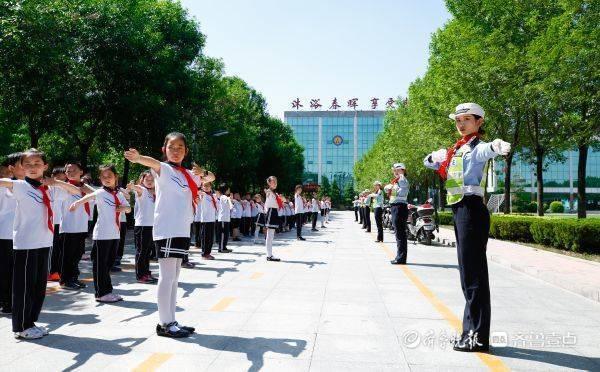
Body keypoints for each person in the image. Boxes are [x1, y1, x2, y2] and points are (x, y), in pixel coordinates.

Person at [424, 103, 511, 353]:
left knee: (473, 276)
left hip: (471, 209)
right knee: (467, 276)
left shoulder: (475, 147)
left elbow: (487, 150)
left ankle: (478, 336)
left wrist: (496, 146)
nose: (461, 124)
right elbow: (429, 162)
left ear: (479, 122)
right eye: (458, 120)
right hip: (461, 209)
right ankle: (469, 332)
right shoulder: (457, 149)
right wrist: (434, 157)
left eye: (467, 119)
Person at [124, 132, 214, 338]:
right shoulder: (163, 169)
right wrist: (138, 158)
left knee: (175, 277)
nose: (176, 151)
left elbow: (210, 178)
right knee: (166, 277)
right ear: (164, 149)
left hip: (182, 229)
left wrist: (204, 171)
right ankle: (164, 323)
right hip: (167, 229)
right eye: (171, 147)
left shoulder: (188, 174)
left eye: (180, 147)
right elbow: (151, 162)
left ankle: (171, 320)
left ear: (186, 151)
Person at [0, 149, 82, 339]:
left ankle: (30, 323)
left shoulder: (51, 188)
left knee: (38, 287)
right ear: (21, 167)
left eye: (37, 163)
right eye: (27, 164)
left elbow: (76, 190)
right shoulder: (20, 186)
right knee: (24, 288)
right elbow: (3, 182)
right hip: (26, 244)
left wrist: (56, 182)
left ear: (45, 166)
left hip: (44, 242)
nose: (32, 167)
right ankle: (21, 327)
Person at [69, 164, 131, 303]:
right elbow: (87, 196)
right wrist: (77, 203)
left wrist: (124, 208)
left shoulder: (119, 194)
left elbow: (128, 209)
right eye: (103, 177)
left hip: (115, 234)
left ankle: (107, 291)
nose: (106, 178)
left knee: (108, 264)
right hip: (102, 234)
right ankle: (101, 293)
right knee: (100, 265)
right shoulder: (100, 193)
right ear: (100, 179)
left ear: (116, 177)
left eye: (109, 176)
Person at [60, 162, 95, 290]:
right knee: (68, 255)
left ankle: (74, 277)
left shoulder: (85, 187)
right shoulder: (65, 186)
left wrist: (85, 188)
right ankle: (66, 279)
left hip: (82, 225)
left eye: (74, 170)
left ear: (81, 172)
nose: (71, 173)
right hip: (69, 226)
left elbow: (97, 196)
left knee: (78, 253)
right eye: (68, 171)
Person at [0, 153, 24, 315]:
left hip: (23, 235)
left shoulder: (30, 186)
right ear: (11, 168)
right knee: (6, 270)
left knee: (18, 271)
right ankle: (6, 302)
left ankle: (12, 300)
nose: (29, 167)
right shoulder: (5, 185)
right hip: (5, 234)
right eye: (24, 164)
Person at [127, 171, 157, 284]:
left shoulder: (154, 193)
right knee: (141, 251)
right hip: (142, 225)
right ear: (142, 181)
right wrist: (133, 186)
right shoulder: (142, 190)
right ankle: (140, 275)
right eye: (147, 180)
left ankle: (146, 272)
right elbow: (137, 188)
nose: (149, 182)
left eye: (152, 180)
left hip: (151, 225)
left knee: (148, 251)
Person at [386, 164, 410, 264]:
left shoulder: (402, 179)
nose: (394, 171)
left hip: (399, 206)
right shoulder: (398, 180)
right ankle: (400, 256)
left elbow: (403, 193)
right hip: (397, 206)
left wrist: (393, 190)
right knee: (399, 233)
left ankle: (401, 258)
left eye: (395, 169)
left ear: (401, 170)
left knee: (400, 234)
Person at [257, 176, 282, 262]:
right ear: (269, 183)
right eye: (273, 182)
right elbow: (267, 193)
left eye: (276, 181)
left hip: (274, 212)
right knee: (270, 235)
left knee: (271, 235)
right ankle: (269, 255)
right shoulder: (269, 192)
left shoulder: (274, 193)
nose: (275, 183)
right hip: (271, 212)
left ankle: (270, 254)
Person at [198, 181, 218, 260]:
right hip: (205, 219)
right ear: (202, 187)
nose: (206, 187)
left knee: (210, 238)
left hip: (212, 219)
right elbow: (197, 193)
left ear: (211, 187)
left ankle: (208, 253)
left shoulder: (212, 196)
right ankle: (204, 254)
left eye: (208, 185)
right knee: (205, 238)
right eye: (204, 186)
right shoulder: (202, 194)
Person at [216, 183, 233, 253]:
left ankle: (224, 247)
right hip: (223, 219)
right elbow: (231, 206)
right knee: (223, 234)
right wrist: (230, 199)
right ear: (225, 190)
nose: (229, 190)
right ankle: (221, 248)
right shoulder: (223, 197)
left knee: (226, 234)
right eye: (228, 189)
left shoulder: (224, 197)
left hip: (226, 219)